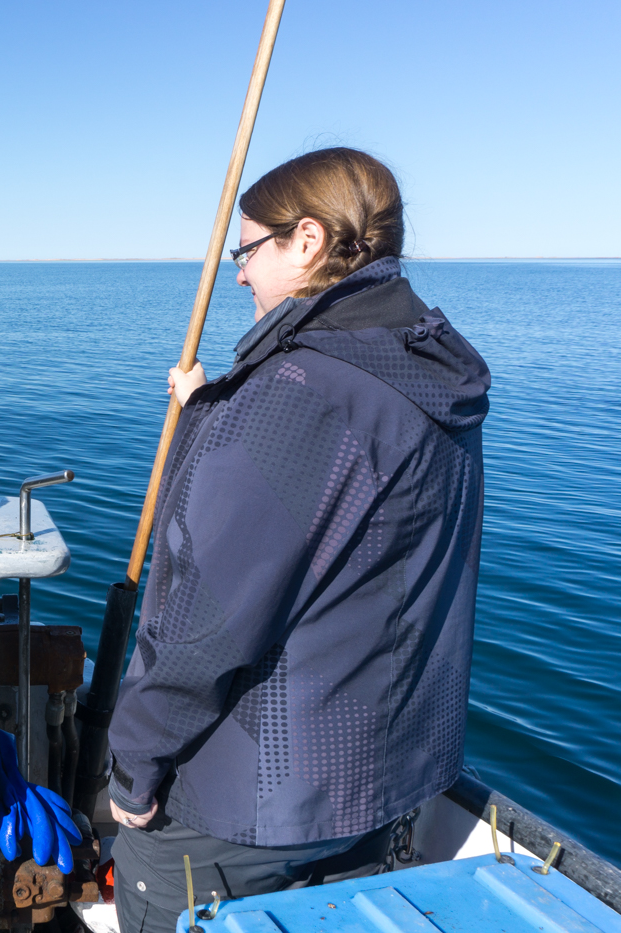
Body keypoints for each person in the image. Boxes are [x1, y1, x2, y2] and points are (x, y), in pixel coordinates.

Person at [105, 148, 491, 932]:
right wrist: (217, 408)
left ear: (307, 239)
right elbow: (348, 529)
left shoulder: (294, 392)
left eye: (248, 250)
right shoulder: (419, 375)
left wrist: (133, 769)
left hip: (249, 808)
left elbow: (206, 617)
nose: (240, 274)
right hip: (378, 786)